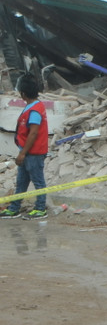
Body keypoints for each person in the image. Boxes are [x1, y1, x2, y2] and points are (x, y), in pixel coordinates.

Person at [1, 75, 49, 220]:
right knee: (21, 182)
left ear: (23, 94)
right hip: (27, 152)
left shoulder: (34, 110)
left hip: (33, 153)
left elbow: (33, 133)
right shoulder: (32, 107)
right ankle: (14, 208)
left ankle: (40, 209)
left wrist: (22, 153)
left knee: (38, 181)